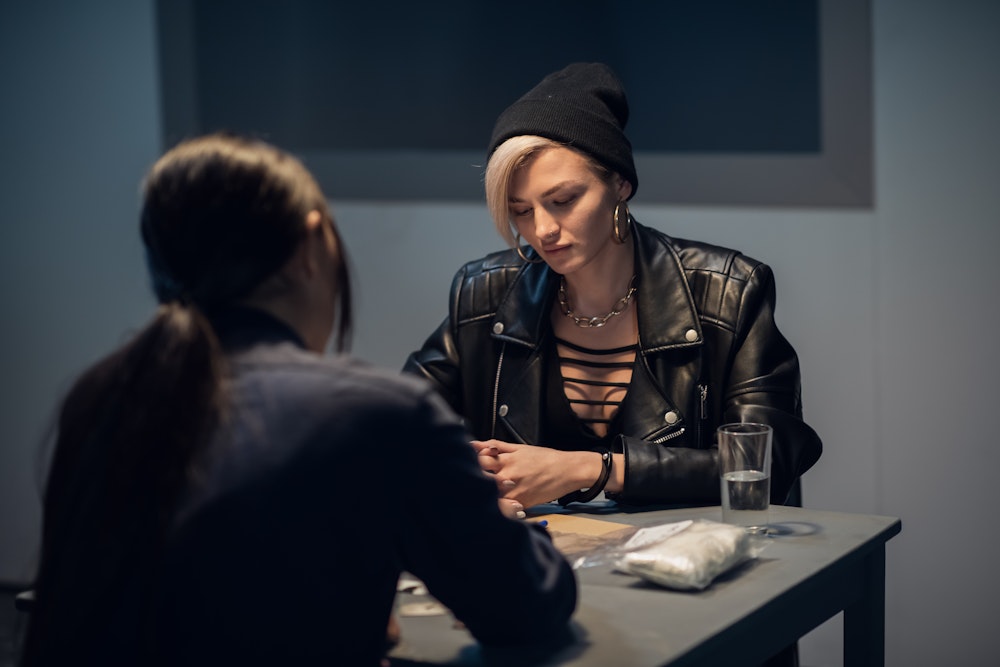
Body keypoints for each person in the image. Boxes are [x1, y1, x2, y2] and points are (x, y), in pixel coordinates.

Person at [20, 133, 577, 667]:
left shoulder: (103, 392)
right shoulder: (376, 412)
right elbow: (526, 607)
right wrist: (500, 526)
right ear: (311, 245)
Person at [404, 62, 822, 514]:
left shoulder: (728, 292)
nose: (542, 230)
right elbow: (394, 425)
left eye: (563, 200)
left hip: (691, 566)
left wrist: (595, 469)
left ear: (620, 184)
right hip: (545, 563)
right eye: (521, 210)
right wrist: (456, 469)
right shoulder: (484, 295)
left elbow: (767, 463)